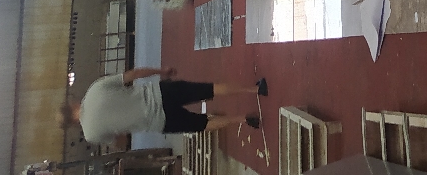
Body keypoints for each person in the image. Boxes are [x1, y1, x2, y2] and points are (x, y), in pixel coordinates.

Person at [58, 68, 269, 142]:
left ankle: (243, 119)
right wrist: (161, 71)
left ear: (71, 125)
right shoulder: (94, 90)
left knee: (202, 124)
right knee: (208, 90)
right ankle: (255, 89)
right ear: (72, 104)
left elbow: (119, 137)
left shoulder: (91, 135)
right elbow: (133, 74)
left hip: (159, 122)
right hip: (160, 93)